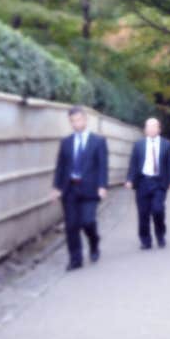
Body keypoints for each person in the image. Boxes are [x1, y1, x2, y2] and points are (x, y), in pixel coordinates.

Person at [51, 106, 109, 271]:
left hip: (90, 189)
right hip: (70, 189)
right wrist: (56, 187)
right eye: (72, 121)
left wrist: (102, 186)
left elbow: (102, 166)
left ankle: (94, 242)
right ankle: (75, 259)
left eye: (78, 120)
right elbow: (60, 166)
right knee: (71, 226)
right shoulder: (66, 142)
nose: (76, 124)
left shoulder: (98, 141)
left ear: (85, 120)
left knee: (88, 221)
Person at [124, 117, 170, 249]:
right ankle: (145, 240)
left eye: (154, 126)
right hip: (142, 182)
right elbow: (133, 164)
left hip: (159, 182)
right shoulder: (138, 145)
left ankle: (160, 235)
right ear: (145, 130)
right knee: (143, 213)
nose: (151, 129)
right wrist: (130, 179)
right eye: (149, 127)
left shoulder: (167, 144)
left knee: (158, 210)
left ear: (159, 129)